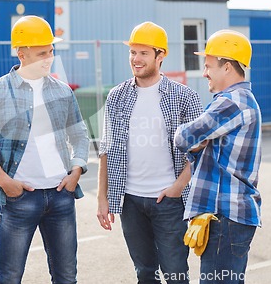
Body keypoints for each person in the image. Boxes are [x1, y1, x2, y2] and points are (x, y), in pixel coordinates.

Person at [0, 15, 90, 284]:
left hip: (61, 196)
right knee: (9, 278)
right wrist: (5, 182)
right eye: (41, 53)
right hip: (18, 199)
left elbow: (80, 134)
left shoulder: (63, 91)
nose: (49, 58)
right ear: (21, 53)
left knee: (67, 277)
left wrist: (76, 170)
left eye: (51, 51)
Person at [97, 21, 204, 284]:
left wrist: (178, 187)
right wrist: (103, 197)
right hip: (130, 201)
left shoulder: (184, 97)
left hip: (168, 201)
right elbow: (106, 149)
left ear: (161, 55)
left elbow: (199, 152)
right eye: (133, 52)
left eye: (143, 53)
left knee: (176, 274)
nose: (136, 59)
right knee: (145, 274)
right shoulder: (116, 96)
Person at [174, 29, 262, 284]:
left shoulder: (232, 103)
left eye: (208, 65)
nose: (204, 73)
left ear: (227, 67)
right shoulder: (236, 100)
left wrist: (195, 139)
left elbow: (184, 138)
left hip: (226, 216)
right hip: (228, 216)